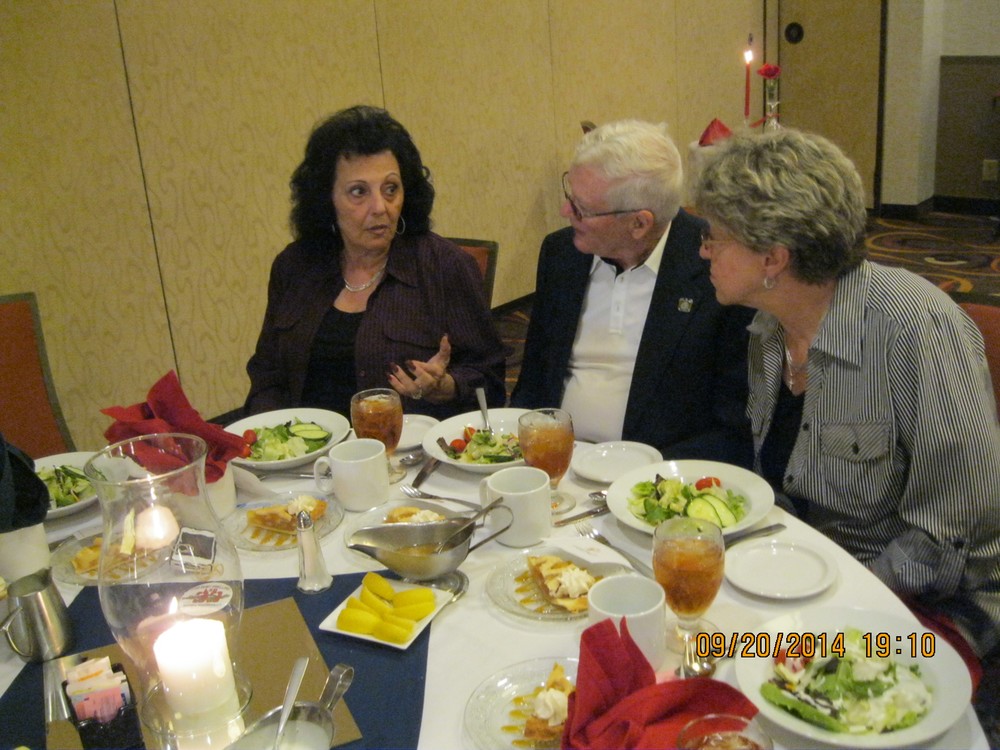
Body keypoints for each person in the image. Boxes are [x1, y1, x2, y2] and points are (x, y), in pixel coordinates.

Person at [691, 127, 1000, 661]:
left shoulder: (917, 329)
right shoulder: (768, 328)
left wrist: (835, 608)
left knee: (749, 673)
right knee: (692, 643)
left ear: (773, 259)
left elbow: (951, 533)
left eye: (715, 237)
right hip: (809, 573)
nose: (703, 251)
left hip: (931, 601)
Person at [510, 119, 754, 465]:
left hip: (657, 474)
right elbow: (533, 378)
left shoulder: (718, 267)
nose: (565, 212)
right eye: (570, 195)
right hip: (554, 461)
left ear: (639, 223)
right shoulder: (561, 253)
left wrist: (640, 473)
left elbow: (732, 423)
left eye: (581, 209)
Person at [245, 105, 506, 420]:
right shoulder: (295, 267)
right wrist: (269, 434)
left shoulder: (444, 266)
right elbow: (267, 375)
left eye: (391, 189)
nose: (380, 207)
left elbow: (490, 380)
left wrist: (446, 386)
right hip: (308, 445)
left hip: (407, 446)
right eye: (359, 192)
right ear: (326, 198)